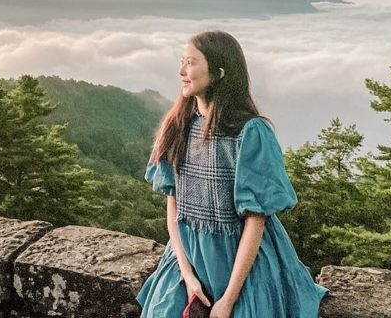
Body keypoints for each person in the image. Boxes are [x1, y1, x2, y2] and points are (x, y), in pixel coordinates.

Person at [136, 30, 329, 317]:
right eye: (181, 62)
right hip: (186, 259)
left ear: (219, 72)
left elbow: (255, 219)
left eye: (190, 63)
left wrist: (228, 299)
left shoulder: (249, 133)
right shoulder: (177, 127)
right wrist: (187, 275)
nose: (181, 71)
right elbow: (174, 206)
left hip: (244, 266)